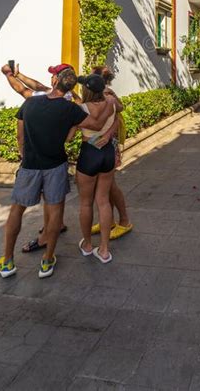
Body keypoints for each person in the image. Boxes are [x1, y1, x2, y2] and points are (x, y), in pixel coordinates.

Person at [0, 69, 112, 279]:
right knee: (55, 209)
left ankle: (7, 261)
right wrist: (109, 106)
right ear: (72, 88)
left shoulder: (29, 103)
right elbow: (97, 124)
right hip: (56, 165)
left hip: (29, 166)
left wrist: (24, 152)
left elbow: (20, 135)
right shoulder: (70, 109)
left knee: (16, 210)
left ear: (55, 81)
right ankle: (47, 261)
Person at [1, 63, 76, 253]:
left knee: (20, 207)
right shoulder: (69, 100)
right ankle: (51, 244)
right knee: (55, 203)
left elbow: (24, 89)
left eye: (53, 75)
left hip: (33, 163)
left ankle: (38, 243)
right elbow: (38, 86)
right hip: (57, 160)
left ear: (57, 79)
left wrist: (9, 75)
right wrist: (20, 73)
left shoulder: (35, 101)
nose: (49, 78)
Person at [75, 74, 118, 264]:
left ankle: (87, 245)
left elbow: (69, 135)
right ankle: (105, 250)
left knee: (86, 203)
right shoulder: (111, 102)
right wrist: (108, 134)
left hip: (89, 153)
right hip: (107, 152)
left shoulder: (80, 109)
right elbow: (117, 119)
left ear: (86, 90)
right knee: (103, 201)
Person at [90, 66, 133, 241]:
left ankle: (124, 221)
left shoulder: (106, 94)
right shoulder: (105, 93)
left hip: (107, 144)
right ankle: (109, 220)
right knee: (104, 186)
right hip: (102, 144)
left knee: (110, 185)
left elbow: (116, 113)